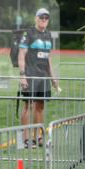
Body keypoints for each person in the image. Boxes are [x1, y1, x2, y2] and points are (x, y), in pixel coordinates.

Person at [18, 8, 60, 148]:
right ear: (36, 18)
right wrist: (22, 75)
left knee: (40, 106)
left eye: (46, 18)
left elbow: (47, 59)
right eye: (41, 17)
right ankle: (26, 139)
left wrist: (53, 78)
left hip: (43, 78)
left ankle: (39, 137)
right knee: (28, 106)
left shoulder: (48, 35)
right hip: (30, 76)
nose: (43, 20)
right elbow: (21, 54)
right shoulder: (28, 33)